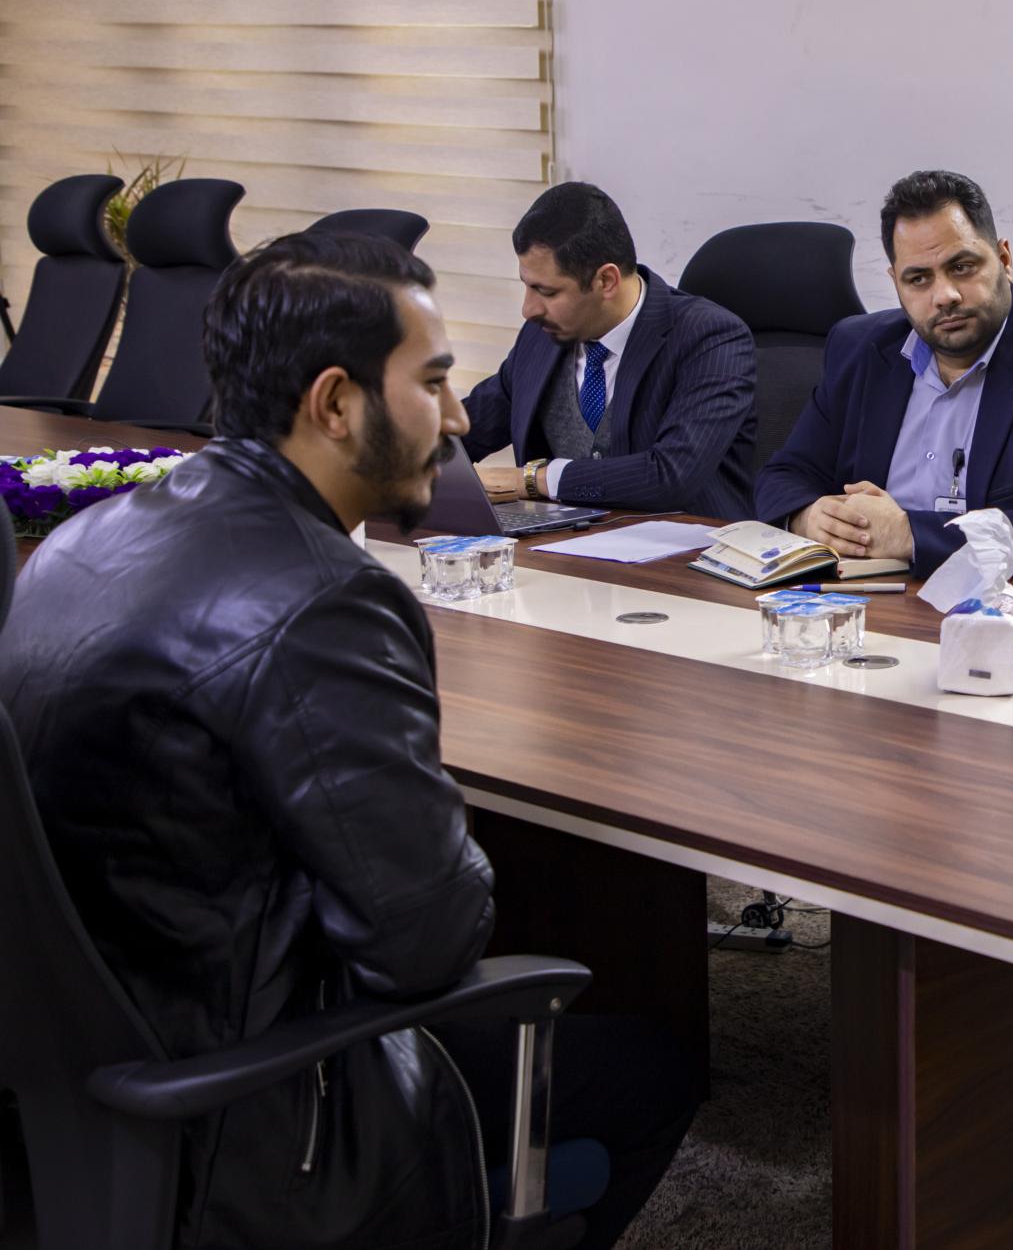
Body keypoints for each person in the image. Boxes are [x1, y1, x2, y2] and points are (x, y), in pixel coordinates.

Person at [0, 232, 696, 1250]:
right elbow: (430, 945)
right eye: (434, 383)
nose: (460, 421)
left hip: (80, 1091)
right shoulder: (325, 600)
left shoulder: (80, 541)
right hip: (270, 1131)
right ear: (335, 404)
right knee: (652, 1071)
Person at [754, 169, 1013, 572]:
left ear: (1005, 260)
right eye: (918, 278)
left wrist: (910, 535)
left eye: (962, 267)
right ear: (896, 282)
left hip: (995, 600)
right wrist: (809, 516)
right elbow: (785, 474)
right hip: (859, 590)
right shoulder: (860, 348)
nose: (945, 296)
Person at [464, 181, 756, 517]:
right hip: (559, 546)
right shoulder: (541, 335)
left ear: (606, 281)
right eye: (527, 286)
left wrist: (531, 480)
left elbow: (670, 475)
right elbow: (465, 431)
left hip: (687, 546)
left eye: (547, 292)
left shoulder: (711, 339)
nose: (528, 309)